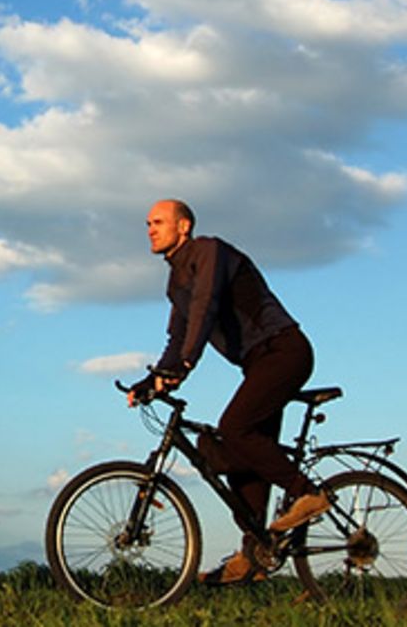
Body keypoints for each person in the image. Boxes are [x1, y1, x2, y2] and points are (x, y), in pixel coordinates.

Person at [130, 199, 331, 586]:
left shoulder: (210, 252)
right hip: (258, 364)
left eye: (157, 222)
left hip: (284, 351)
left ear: (183, 226)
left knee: (235, 428)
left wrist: (186, 364)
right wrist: (153, 379)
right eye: (147, 224)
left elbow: (205, 307)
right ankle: (256, 553)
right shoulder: (176, 281)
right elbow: (178, 336)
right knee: (241, 451)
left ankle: (309, 494)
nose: (150, 229)